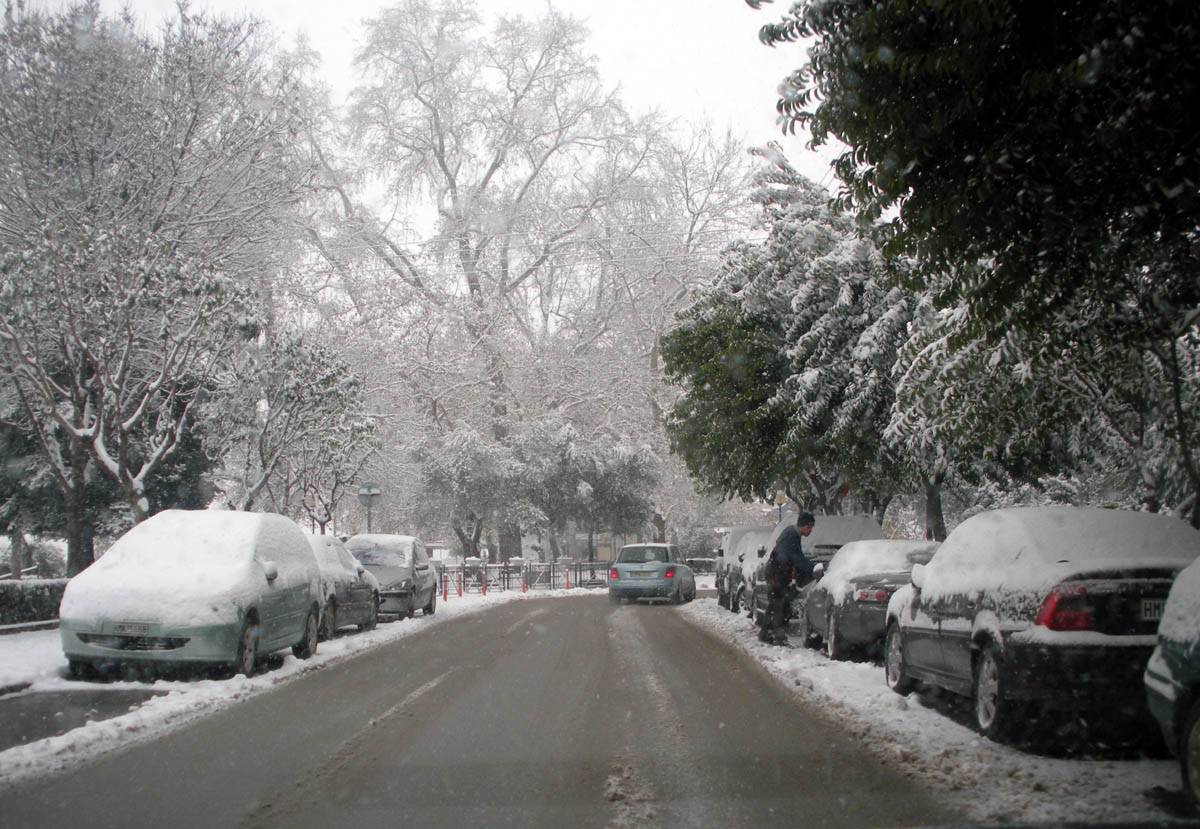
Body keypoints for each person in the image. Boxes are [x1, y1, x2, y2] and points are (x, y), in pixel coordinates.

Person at [757, 511, 816, 645]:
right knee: (780, 604)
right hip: (777, 574)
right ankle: (777, 635)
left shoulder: (791, 533)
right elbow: (797, 559)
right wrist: (814, 569)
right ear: (803, 526)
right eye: (809, 527)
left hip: (777, 572)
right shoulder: (791, 536)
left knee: (777, 604)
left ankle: (767, 633)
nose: (810, 531)